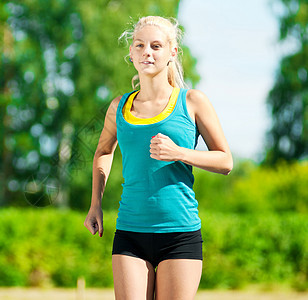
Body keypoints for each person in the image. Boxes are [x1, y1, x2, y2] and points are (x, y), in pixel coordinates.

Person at [83, 16, 233, 300]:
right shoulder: (119, 106)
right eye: (139, 46)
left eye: (155, 45)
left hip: (180, 233)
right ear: (131, 52)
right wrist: (95, 205)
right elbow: (103, 151)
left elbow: (226, 161)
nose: (146, 52)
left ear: (172, 51)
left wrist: (179, 153)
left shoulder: (192, 102)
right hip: (129, 231)